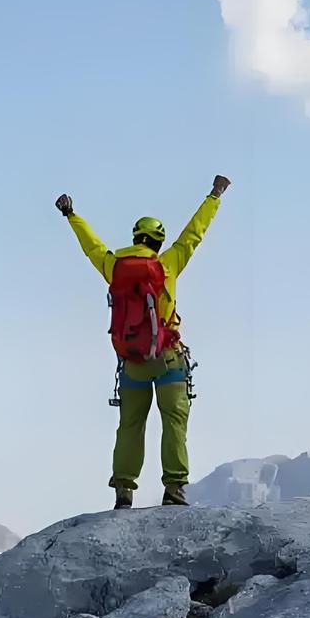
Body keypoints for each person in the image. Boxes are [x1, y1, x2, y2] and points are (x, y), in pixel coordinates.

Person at [56, 175, 230, 509]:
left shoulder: (114, 266)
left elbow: (91, 246)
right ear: (158, 242)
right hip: (167, 358)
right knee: (174, 424)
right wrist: (215, 195)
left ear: (136, 237)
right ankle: (174, 489)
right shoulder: (167, 264)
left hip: (132, 362)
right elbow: (195, 234)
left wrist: (71, 215)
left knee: (130, 426)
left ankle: (123, 491)